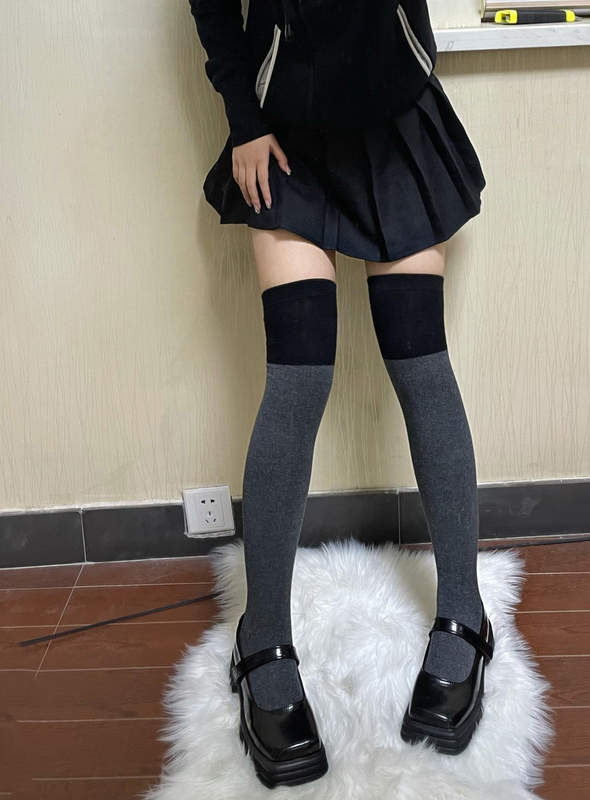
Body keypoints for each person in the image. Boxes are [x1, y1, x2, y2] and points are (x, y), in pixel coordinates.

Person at [188, 0, 494, 788]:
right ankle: (261, 637)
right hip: (283, 135)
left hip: (396, 123)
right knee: (299, 381)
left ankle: (465, 613)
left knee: (420, 366)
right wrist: (244, 119)